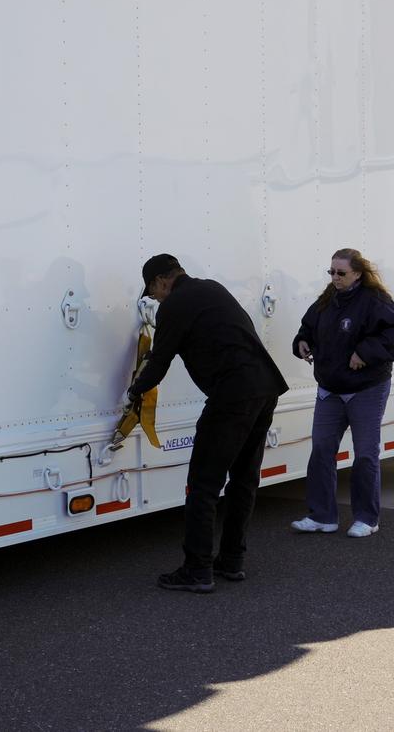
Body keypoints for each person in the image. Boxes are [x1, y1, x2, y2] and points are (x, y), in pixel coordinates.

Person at [127, 254, 288, 593]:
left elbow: (159, 361)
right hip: (265, 387)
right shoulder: (212, 289)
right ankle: (232, 560)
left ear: (160, 281)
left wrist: (134, 390)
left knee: (203, 483)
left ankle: (197, 569)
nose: (155, 299)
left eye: (153, 292)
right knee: (244, 479)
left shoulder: (174, 306)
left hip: (232, 395)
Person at [290, 248, 394, 538]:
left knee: (365, 454)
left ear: (358, 273)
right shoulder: (327, 301)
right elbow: (307, 327)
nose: (335, 277)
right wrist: (302, 342)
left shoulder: (374, 300)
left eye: (341, 273)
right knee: (321, 450)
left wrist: (365, 353)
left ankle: (366, 519)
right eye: (331, 272)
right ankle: (322, 517)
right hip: (330, 389)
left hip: (365, 389)